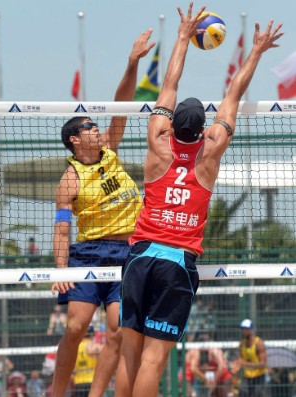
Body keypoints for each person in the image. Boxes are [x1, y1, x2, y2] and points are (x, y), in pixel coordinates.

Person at [115, 3, 283, 396]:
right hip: (176, 262)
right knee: (154, 359)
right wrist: (256, 50)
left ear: (171, 123)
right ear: (204, 129)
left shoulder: (158, 143)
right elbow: (233, 95)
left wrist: (181, 36)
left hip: (140, 257)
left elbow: (169, 85)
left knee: (129, 353)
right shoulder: (210, 154)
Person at [50, 30, 155, 397]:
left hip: (127, 251)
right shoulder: (69, 179)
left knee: (117, 331)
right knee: (76, 327)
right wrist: (60, 269)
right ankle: (56, 393)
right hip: (88, 253)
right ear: (75, 140)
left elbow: (121, 103)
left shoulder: (110, 148)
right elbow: (62, 231)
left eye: (95, 125)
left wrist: (133, 62)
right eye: (88, 127)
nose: (95, 129)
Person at [236, 319, 267, 397]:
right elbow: (240, 361)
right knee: (242, 394)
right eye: (242, 329)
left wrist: (246, 364)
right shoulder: (242, 344)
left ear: (251, 330)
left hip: (258, 377)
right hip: (247, 377)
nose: (243, 331)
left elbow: (263, 363)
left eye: (246, 329)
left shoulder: (258, 343)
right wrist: (235, 366)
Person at [73, 325, 103, 397]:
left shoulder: (75, 347)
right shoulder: (94, 346)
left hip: (78, 383)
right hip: (91, 381)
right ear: (93, 334)